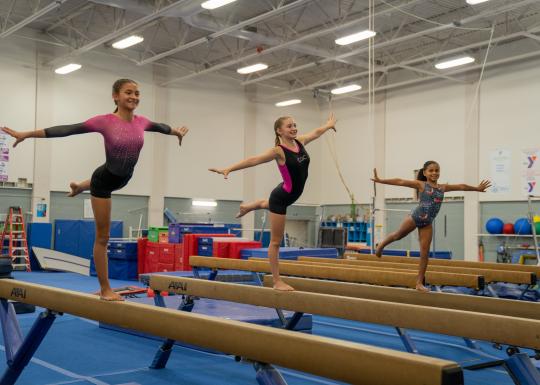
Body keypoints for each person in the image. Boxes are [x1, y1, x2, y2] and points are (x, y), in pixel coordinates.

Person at [2, 78, 188, 300]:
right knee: (103, 237)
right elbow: (68, 129)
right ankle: (105, 289)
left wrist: (176, 132)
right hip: (104, 181)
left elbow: (161, 127)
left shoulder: (142, 122)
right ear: (115, 96)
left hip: (123, 177)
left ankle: (80, 185)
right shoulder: (104, 121)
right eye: (129, 92)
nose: (134, 97)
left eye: (137, 93)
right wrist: (27, 134)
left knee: (110, 176)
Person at [209, 113, 337, 291]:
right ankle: (277, 281)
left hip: (290, 193)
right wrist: (229, 168)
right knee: (276, 242)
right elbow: (253, 160)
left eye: (294, 125)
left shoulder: (300, 142)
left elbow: (315, 132)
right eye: (289, 126)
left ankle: (249, 206)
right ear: (279, 130)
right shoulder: (278, 150)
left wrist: (328, 125)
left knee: (267, 204)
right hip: (282, 197)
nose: (293, 128)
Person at [371, 161, 491, 292]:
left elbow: (461, 186)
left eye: (437, 170)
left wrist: (477, 188)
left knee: (425, 254)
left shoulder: (443, 188)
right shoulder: (421, 184)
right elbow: (400, 181)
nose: (434, 173)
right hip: (415, 217)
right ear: (424, 173)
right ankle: (381, 245)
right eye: (431, 170)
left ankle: (419, 283)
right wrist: (380, 180)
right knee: (397, 235)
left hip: (427, 223)